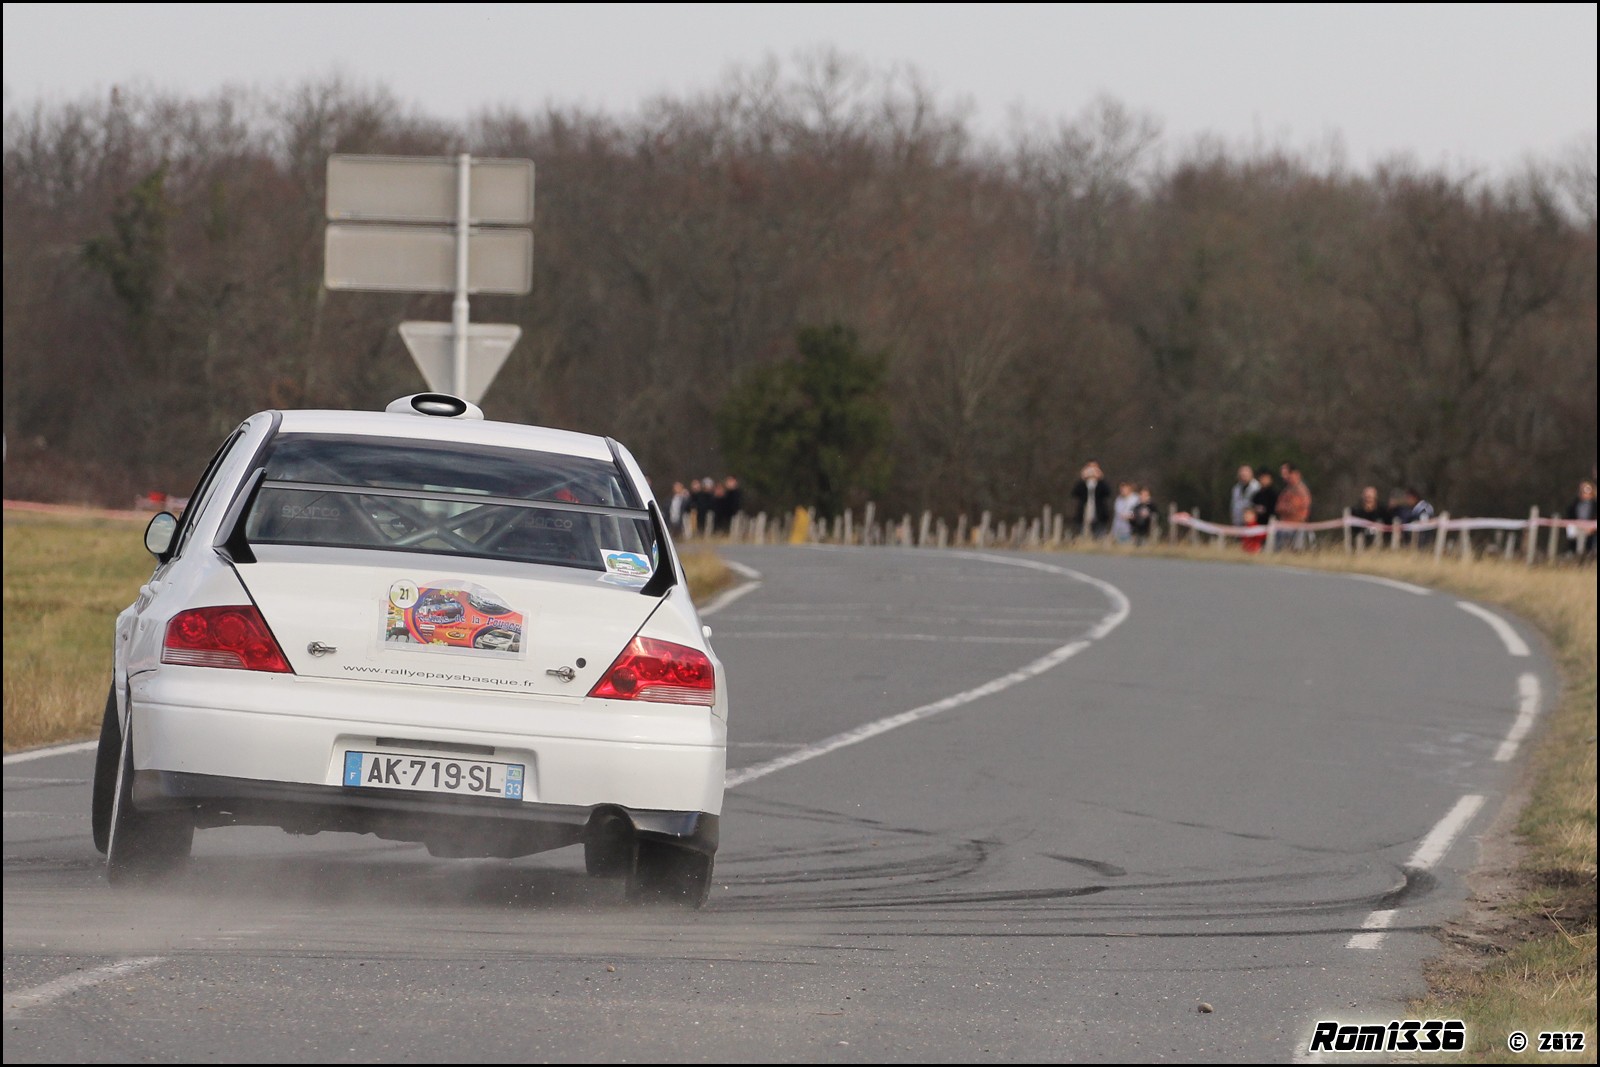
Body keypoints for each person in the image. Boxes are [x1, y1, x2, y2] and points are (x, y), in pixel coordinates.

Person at [1071, 461, 1112, 539]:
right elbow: (1075, 493)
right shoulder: (1082, 484)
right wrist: (1082, 478)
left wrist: (1101, 478)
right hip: (1084, 513)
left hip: (1099, 514)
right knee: (1083, 535)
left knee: (1099, 536)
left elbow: (1108, 493)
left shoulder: (1101, 484)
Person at [1275, 465, 1312, 550]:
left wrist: (1285, 507)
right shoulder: (1286, 490)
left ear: (1296, 474)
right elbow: (1278, 507)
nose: (1285, 477)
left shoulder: (1302, 491)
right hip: (1284, 526)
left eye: (1287, 474)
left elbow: (1294, 508)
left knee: (1296, 551)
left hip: (1297, 527)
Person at [1564, 479, 1596, 558]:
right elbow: (1569, 518)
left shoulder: (1595, 505)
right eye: (1583, 491)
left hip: (1592, 534)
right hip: (1577, 532)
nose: (1585, 494)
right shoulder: (1574, 505)